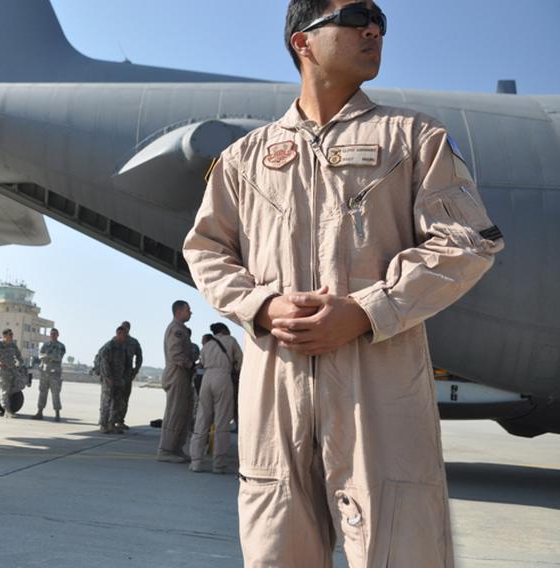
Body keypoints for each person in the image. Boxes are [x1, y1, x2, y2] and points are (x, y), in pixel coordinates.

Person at [182, 1, 504, 565]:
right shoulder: (243, 159)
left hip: (379, 395)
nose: (373, 28)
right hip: (274, 393)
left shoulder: (413, 139)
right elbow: (206, 249)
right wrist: (261, 305)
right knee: (275, 551)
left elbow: (466, 242)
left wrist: (365, 311)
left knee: (398, 551)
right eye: (355, 16)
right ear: (302, 41)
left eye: (380, 20)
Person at [189, 323, 242, 475]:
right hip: (222, 378)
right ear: (224, 330)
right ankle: (219, 464)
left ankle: (196, 462)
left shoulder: (207, 345)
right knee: (222, 421)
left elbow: (203, 363)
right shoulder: (230, 340)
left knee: (202, 419)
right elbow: (240, 360)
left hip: (207, 378)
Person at [156, 300, 195, 463]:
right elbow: (175, 354)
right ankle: (165, 450)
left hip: (183, 376)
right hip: (177, 374)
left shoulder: (181, 329)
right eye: (188, 310)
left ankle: (176, 448)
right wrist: (190, 363)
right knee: (174, 413)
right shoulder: (177, 329)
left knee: (183, 414)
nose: (190, 312)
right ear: (179, 312)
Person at [96, 326, 131, 434]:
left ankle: (111, 424)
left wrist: (125, 377)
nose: (126, 337)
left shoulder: (122, 347)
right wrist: (108, 377)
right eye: (124, 335)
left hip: (119, 379)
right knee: (106, 402)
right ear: (119, 334)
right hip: (109, 380)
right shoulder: (109, 347)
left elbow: (125, 363)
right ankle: (103, 424)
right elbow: (104, 363)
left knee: (117, 402)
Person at [113, 321, 142, 431]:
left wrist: (135, 371)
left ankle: (120, 421)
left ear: (129, 329)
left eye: (126, 328)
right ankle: (112, 421)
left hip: (127, 375)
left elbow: (139, 357)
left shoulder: (133, 342)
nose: (124, 329)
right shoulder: (114, 340)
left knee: (124, 399)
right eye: (123, 327)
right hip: (115, 375)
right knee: (114, 398)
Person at [33, 328, 66, 421]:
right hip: (44, 372)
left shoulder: (61, 346)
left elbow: (59, 357)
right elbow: (40, 355)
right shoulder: (45, 345)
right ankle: (39, 412)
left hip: (55, 374)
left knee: (55, 394)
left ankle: (57, 414)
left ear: (58, 335)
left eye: (55, 334)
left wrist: (48, 356)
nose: (53, 335)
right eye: (51, 334)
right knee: (42, 393)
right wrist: (49, 357)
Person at [0, 328, 24, 418]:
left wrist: (19, 363)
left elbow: (19, 356)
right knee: (4, 390)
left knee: (21, 384)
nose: (12, 336)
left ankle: (4, 397)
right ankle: (7, 411)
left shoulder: (13, 344)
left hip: (12, 369)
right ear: (4, 335)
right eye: (10, 334)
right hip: (3, 370)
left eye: (12, 334)